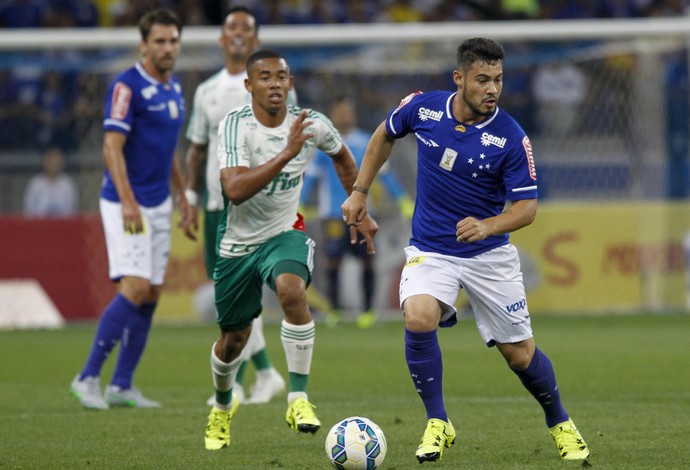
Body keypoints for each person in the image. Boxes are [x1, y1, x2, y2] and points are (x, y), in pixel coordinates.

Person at [342, 38, 589, 464]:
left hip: (489, 255)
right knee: (419, 317)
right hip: (431, 248)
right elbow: (385, 133)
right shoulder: (425, 108)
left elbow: (528, 207)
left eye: (498, 80)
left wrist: (488, 225)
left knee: (520, 355)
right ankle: (437, 421)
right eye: (482, 80)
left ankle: (560, 421)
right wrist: (360, 190)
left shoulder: (511, 138)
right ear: (459, 79)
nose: (492, 89)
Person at [203, 49, 378, 450]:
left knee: (291, 289)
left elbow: (343, 157)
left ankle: (298, 398)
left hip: (284, 232)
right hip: (237, 244)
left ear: (291, 82)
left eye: (281, 76)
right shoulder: (235, 126)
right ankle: (223, 406)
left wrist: (359, 206)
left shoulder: (312, 124)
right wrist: (286, 153)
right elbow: (235, 189)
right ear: (249, 86)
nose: (275, 83)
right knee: (233, 340)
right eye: (264, 77)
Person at [69, 8, 195, 410]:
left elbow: (168, 151)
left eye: (173, 40)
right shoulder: (126, 87)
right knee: (136, 286)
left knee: (153, 291)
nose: (167, 48)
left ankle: (122, 385)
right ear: (143, 45)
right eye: (159, 41)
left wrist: (184, 197)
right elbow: (111, 146)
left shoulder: (174, 88)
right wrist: (127, 201)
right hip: (127, 203)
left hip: (159, 205)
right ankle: (87, 376)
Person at [185, 6, 288, 406]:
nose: (240, 33)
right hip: (217, 205)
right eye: (233, 28)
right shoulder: (207, 91)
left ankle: (243, 380)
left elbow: (291, 141)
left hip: (261, 206)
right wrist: (191, 197)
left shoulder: (278, 87)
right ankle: (263, 372)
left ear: (256, 40)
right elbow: (196, 149)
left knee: (242, 295)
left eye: (248, 28)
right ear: (222, 39)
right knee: (230, 295)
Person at [301, 96, 414, 328]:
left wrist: (402, 199)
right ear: (333, 114)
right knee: (333, 263)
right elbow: (311, 178)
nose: (344, 115)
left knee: (367, 262)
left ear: (352, 114)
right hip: (333, 214)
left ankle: (368, 311)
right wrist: (300, 205)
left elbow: (385, 173)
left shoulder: (367, 142)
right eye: (340, 111)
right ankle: (334, 310)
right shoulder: (324, 145)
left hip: (364, 213)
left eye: (347, 111)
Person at [23, 146, 78, 217]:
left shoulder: (68, 184)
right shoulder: (35, 184)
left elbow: (72, 212)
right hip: (39, 226)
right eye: (51, 159)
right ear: (44, 161)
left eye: (57, 159)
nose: (54, 163)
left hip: (63, 226)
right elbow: (29, 212)